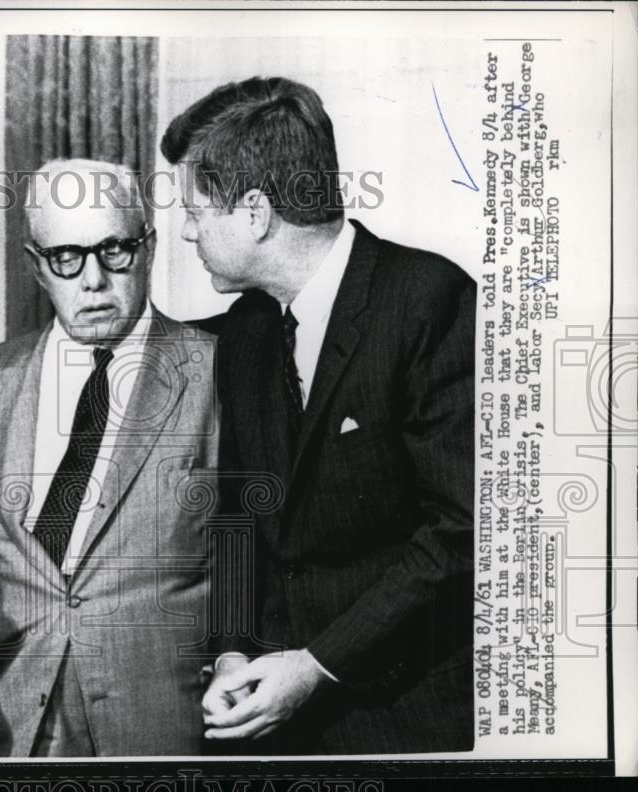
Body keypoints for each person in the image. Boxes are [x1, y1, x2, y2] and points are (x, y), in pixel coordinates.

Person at [161, 76, 476, 754]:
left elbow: (461, 534)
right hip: (275, 724)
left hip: (407, 720)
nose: (186, 231)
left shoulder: (429, 302)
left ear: (253, 212)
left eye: (194, 210)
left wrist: (316, 666)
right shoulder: (246, 334)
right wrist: (232, 657)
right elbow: (240, 519)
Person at [0, 159, 218, 756]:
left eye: (115, 250)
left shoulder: (218, 372)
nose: (93, 279)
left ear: (147, 247)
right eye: (66, 258)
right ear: (35, 266)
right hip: (5, 727)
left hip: (159, 730)